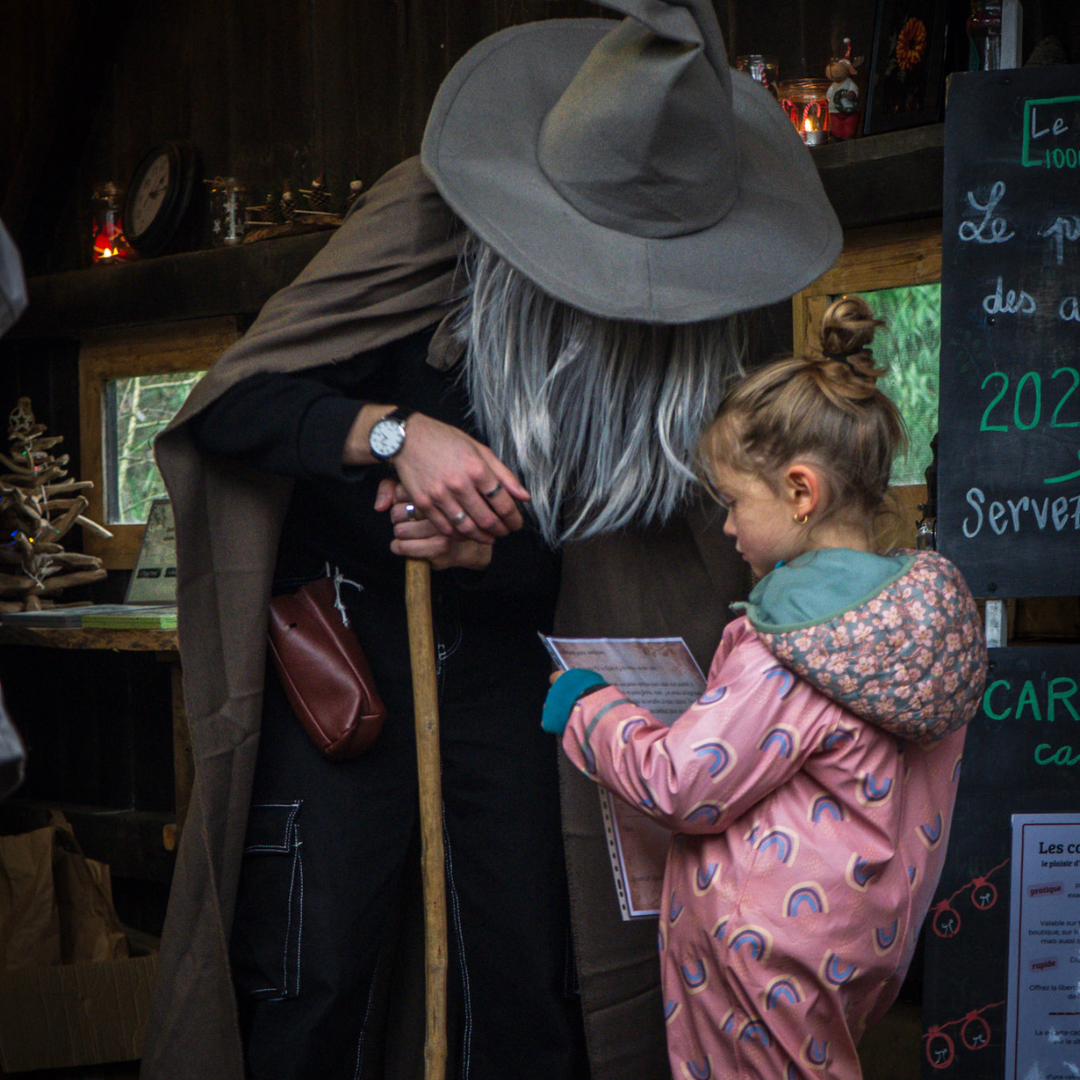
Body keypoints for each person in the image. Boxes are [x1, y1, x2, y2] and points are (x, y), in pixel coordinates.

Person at [142, 3, 843, 1078]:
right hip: (349, 658)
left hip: (519, 666)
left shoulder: (706, 301)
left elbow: (634, 550)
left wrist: (498, 553)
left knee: (529, 964)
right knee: (316, 970)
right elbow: (236, 407)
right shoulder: (426, 221)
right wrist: (391, 434)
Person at [542, 297, 988, 1080]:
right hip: (851, 949)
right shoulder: (918, 627)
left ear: (801, 493)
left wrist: (587, 706)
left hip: (758, 958)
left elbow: (682, 782)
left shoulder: (788, 643)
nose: (726, 528)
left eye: (733, 502)